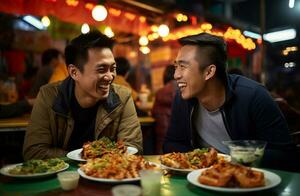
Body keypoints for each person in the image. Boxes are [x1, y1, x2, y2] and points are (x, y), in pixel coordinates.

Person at [163, 33, 299, 171]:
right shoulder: (182, 99)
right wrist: (200, 159)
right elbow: (172, 143)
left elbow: (286, 156)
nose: (176, 75)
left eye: (183, 66)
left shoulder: (254, 96)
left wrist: (235, 158)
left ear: (209, 72)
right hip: (202, 178)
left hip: (249, 181)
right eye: (176, 67)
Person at [23, 31, 143, 160]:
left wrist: (94, 161)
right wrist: (84, 157)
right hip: (64, 176)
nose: (110, 76)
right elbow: (34, 151)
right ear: (74, 72)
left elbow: (133, 147)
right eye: (101, 69)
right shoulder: (49, 96)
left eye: (113, 68)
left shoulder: (122, 97)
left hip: (107, 176)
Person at [152, 65, 177, 154]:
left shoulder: (160, 92)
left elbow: (153, 112)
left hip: (162, 135)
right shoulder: (184, 91)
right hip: (181, 138)